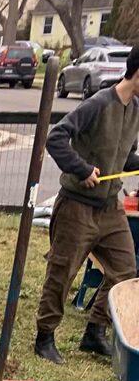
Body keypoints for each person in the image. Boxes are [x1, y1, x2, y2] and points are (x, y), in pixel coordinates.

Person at [35, 45, 139, 364]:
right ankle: (44, 337)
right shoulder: (99, 103)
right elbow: (56, 138)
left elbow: (123, 157)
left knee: (125, 271)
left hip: (110, 208)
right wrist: (81, 169)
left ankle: (95, 331)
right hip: (77, 206)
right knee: (62, 272)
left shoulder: (136, 110)